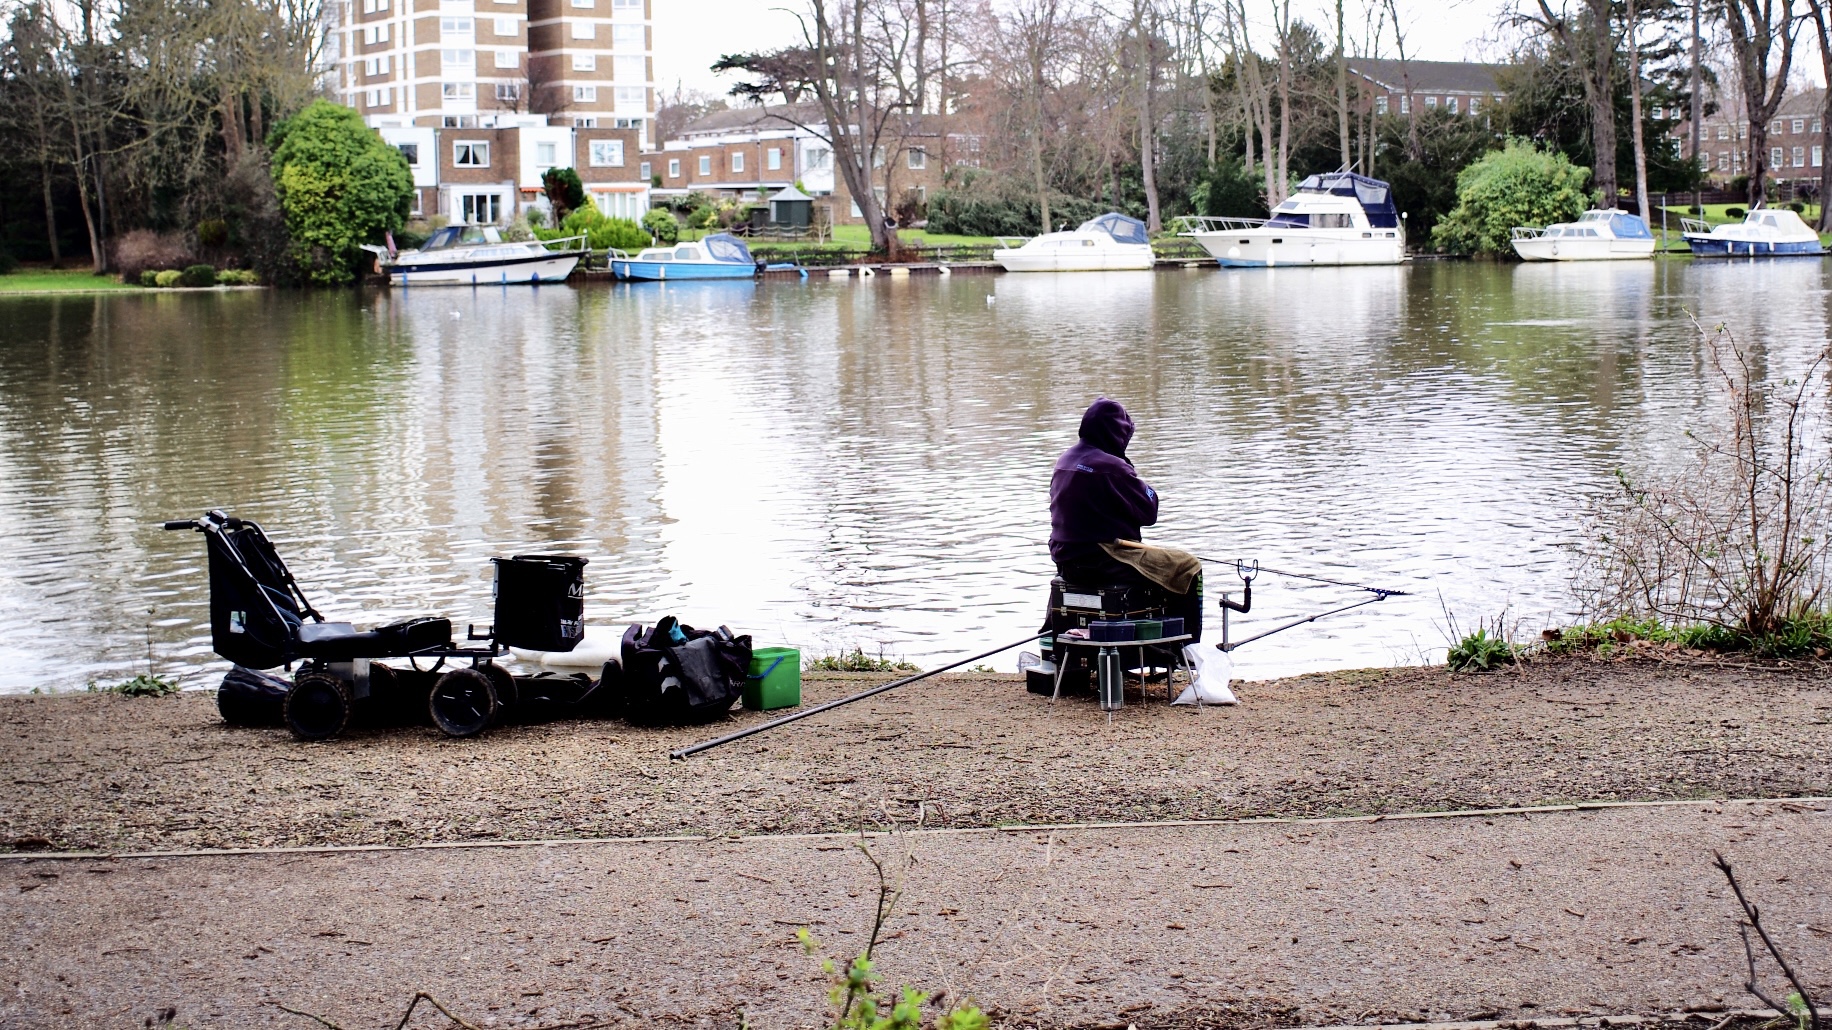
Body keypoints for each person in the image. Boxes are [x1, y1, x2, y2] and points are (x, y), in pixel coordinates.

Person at [1048, 397, 1201, 641]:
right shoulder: (1112, 466)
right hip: (1102, 560)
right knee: (1187, 566)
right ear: (1116, 433)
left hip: (1065, 559)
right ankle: (1185, 646)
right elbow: (1149, 511)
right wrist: (1131, 471)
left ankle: (1054, 633)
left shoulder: (1064, 460)